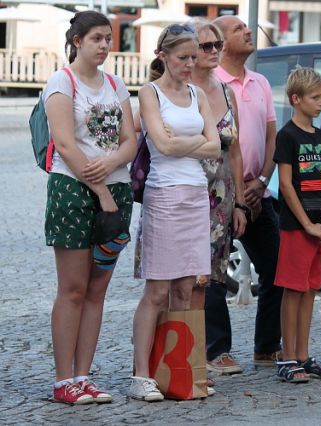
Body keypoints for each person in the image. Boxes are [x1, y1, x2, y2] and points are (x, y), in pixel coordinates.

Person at [44, 10, 137, 404]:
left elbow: (131, 141)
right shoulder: (61, 83)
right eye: (97, 38)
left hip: (117, 190)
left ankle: (85, 375)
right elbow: (65, 144)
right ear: (77, 41)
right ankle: (64, 379)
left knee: (98, 290)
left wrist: (114, 163)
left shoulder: (115, 84)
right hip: (73, 190)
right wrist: (100, 191)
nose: (104, 45)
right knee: (73, 289)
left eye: (109, 38)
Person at [130, 23, 221, 401]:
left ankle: (178, 369)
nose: (189, 64)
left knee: (187, 287)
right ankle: (141, 374)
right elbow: (162, 147)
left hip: (196, 195)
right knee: (158, 288)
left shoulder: (198, 93)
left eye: (193, 56)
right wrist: (192, 142)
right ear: (163, 56)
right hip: (165, 195)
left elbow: (215, 146)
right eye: (182, 57)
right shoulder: (149, 92)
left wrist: (181, 141)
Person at [212, 15, 282, 367]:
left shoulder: (260, 82)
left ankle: (267, 346)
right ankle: (217, 350)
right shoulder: (212, 83)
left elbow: (271, 136)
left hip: (259, 190)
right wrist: (240, 192)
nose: (248, 31)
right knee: (213, 272)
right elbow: (229, 146)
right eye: (239, 29)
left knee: (278, 267)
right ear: (221, 42)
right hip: (224, 193)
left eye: (246, 26)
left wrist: (263, 180)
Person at [187, 18, 248, 377]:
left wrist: (239, 201)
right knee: (183, 279)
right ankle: (179, 354)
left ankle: (207, 353)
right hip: (185, 193)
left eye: (216, 46)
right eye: (205, 46)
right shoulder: (176, 90)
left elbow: (236, 150)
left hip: (221, 197)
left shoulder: (226, 92)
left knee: (214, 276)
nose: (213, 52)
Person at [273, 67, 321, 382]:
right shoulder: (287, 135)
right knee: (293, 290)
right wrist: (307, 224)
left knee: (311, 288)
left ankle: (302, 353)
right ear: (295, 99)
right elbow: (286, 184)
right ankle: (287, 357)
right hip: (298, 227)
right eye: (315, 97)